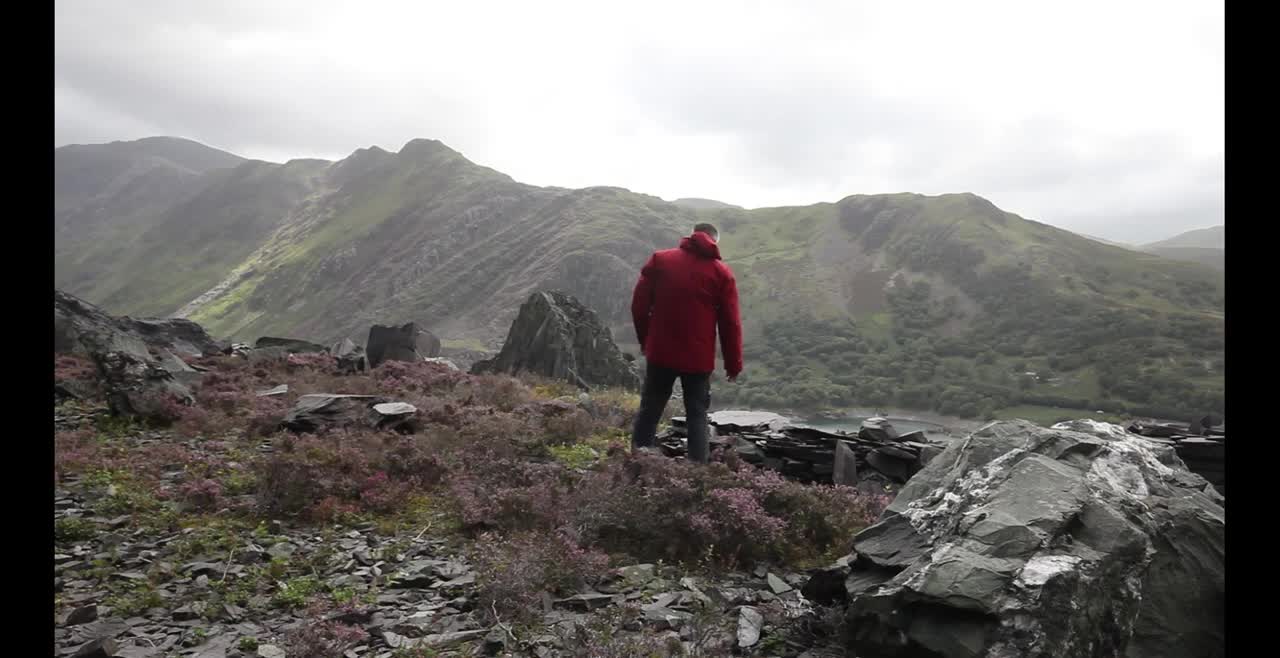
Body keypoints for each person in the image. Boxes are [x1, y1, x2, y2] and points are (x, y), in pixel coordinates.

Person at [629, 222, 743, 462]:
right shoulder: (721, 273)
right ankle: (696, 473)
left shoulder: (661, 260)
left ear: (692, 235)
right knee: (697, 415)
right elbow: (730, 323)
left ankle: (638, 462)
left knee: (650, 409)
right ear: (715, 240)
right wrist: (733, 364)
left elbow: (639, 306)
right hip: (697, 358)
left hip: (660, 351)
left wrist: (645, 340)